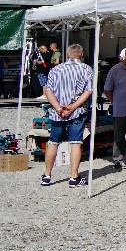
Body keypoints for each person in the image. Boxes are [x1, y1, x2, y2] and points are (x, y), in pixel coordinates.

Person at [40, 43, 93, 187]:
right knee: (76, 143)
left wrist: (58, 108)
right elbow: (88, 91)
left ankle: (47, 175)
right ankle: (74, 177)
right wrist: (72, 107)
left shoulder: (56, 69)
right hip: (77, 110)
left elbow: (48, 91)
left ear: (67, 55)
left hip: (58, 111)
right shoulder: (86, 69)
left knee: (53, 142)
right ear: (81, 55)